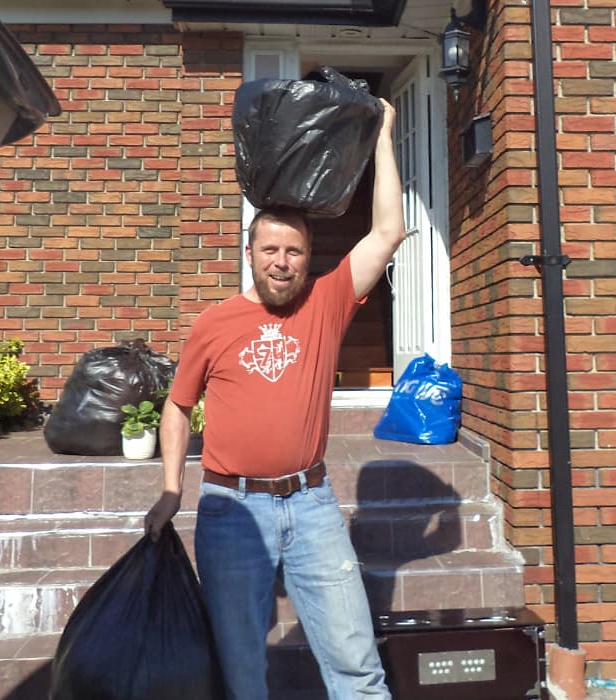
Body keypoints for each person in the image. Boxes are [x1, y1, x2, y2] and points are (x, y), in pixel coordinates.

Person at [144, 97, 404, 699]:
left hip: (311, 505)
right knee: (241, 672)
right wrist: (169, 490)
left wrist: (384, 133)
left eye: (293, 252)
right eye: (270, 251)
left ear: (307, 259)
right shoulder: (215, 322)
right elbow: (177, 405)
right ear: (250, 255)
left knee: (357, 665)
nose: (282, 263)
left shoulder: (327, 303)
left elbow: (387, 230)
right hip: (232, 512)